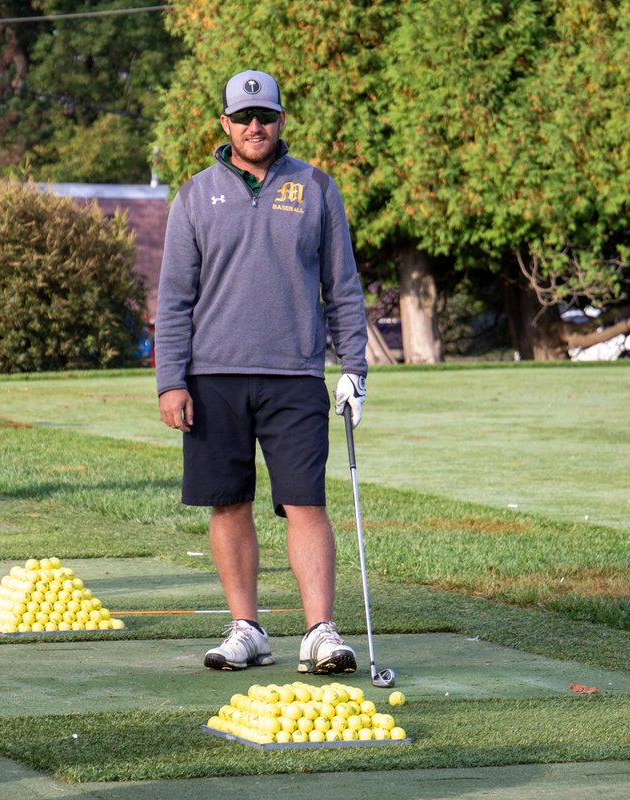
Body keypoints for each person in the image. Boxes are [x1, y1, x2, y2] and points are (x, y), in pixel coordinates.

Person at [154, 69, 369, 674]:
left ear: (280, 121)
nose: (256, 126)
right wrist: (170, 380)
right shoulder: (195, 194)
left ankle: (320, 632)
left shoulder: (317, 188)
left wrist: (355, 368)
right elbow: (173, 298)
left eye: (266, 117)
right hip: (212, 377)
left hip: (296, 375)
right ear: (224, 123)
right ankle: (246, 628)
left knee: (305, 503)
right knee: (229, 504)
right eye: (244, 117)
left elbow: (343, 289)